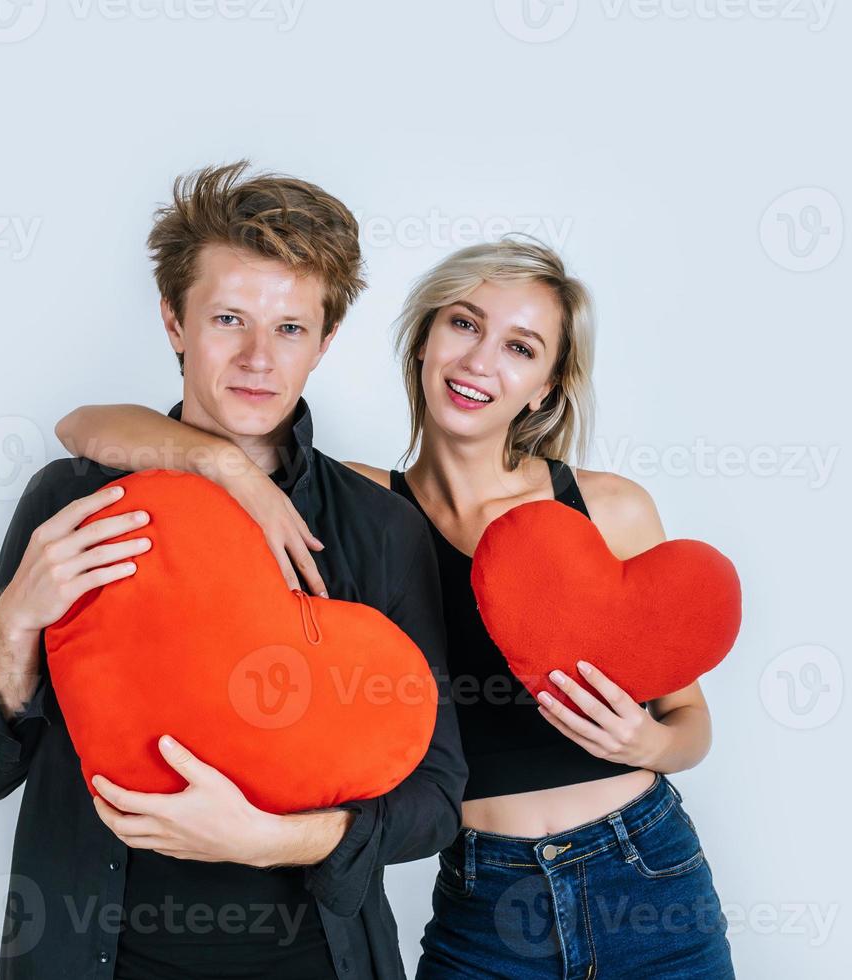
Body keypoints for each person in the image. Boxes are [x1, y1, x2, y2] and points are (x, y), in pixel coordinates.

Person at [55, 237, 736, 977]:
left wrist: (648, 745)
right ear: (424, 342)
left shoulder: (607, 508)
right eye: (464, 325)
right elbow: (84, 427)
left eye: (520, 346)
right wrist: (225, 468)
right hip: (484, 896)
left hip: (645, 872)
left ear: (544, 385)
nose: (480, 361)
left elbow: (690, 723)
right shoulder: (365, 511)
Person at [0, 161, 465, 980]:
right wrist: (13, 623)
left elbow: (435, 800)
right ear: (174, 322)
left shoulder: (381, 529)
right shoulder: (76, 498)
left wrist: (274, 841)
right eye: (228, 318)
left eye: (290, 328)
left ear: (326, 342)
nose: (259, 358)